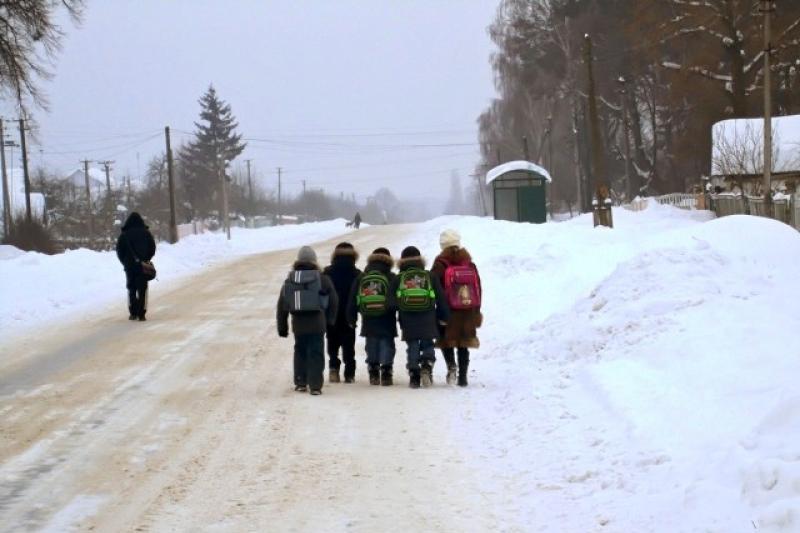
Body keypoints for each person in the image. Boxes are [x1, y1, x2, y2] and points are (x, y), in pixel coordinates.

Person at [277, 246, 338, 395]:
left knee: (300, 351)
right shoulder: (322, 279)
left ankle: (300, 382)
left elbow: (282, 304)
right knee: (316, 352)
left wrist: (282, 326)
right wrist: (330, 320)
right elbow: (334, 300)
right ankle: (315, 386)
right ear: (314, 261)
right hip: (317, 323)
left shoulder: (290, 279)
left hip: (298, 324)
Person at [389, 246, 449, 388]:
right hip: (428, 317)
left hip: (407, 318)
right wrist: (444, 316)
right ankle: (427, 366)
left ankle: (414, 375)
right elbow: (441, 298)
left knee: (413, 345)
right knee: (427, 343)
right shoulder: (429, 276)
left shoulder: (399, 278)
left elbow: (390, 302)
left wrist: (399, 306)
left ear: (402, 261)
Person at [431, 229, 482, 387]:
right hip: (467, 310)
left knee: (446, 340)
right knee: (463, 343)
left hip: (448, 310)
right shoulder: (469, 263)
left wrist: (437, 309)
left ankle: (451, 365)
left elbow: (434, 287)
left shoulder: (440, 264)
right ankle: (463, 377)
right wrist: (476, 311)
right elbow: (478, 288)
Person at [347, 247, 397, 386]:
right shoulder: (391, 277)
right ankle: (386, 372)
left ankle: (373, 370)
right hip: (387, 318)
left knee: (372, 343)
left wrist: (351, 318)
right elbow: (397, 299)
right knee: (387, 343)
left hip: (368, 317)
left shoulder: (362, 277)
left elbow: (353, 298)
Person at [323, 242, 361, 383]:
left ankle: (333, 368)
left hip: (331, 314)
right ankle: (349, 373)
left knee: (332, 341)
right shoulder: (357, 274)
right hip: (349, 314)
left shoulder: (327, 272)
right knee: (348, 343)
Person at [115, 212, 156, 321]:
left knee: (131, 287)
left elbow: (119, 251)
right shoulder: (146, 233)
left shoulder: (124, 235)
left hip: (129, 266)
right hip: (142, 266)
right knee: (143, 289)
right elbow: (152, 248)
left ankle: (133, 313)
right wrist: (147, 259)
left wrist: (125, 262)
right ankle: (141, 314)